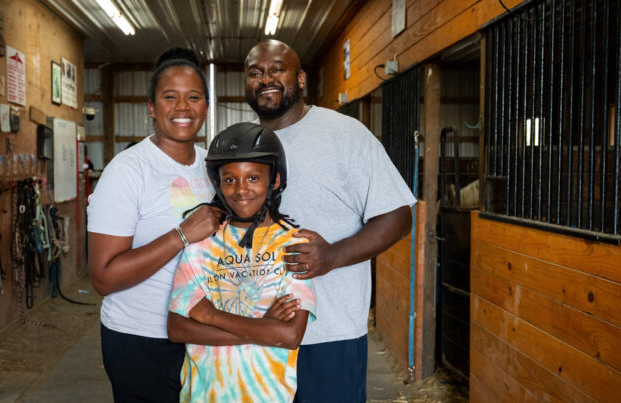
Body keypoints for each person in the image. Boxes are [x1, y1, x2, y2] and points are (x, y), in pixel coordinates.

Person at [243, 40, 416, 402]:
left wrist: (333, 256)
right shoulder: (243, 144)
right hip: (255, 332)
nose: (266, 79)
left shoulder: (345, 134)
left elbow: (399, 217)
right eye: (255, 73)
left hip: (330, 335)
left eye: (277, 69)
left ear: (301, 78)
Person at [87, 47, 225, 402]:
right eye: (170, 97)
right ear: (151, 107)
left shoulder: (212, 168)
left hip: (200, 333)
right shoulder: (128, 171)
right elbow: (103, 277)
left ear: (206, 109)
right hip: (142, 339)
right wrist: (182, 234)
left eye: (194, 97)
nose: (183, 107)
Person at [168, 123, 316, 402]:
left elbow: (289, 334)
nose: (240, 189)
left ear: (273, 181)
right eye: (229, 179)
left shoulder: (294, 246)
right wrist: (263, 328)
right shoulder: (201, 244)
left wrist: (212, 316)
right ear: (218, 184)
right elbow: (177, 329)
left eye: (253, 178)